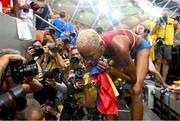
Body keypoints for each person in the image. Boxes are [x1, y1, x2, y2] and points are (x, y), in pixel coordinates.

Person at [76, 29, 150, 120]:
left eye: (90, 57)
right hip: (117, 54)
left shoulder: (119, 46)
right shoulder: (90, 50)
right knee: (106, 85)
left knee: (136, 89)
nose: (88, 61)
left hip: (139, 49)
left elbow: (132, 79)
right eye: (85, 58)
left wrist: (109, 69)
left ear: (102, 46)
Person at [136, 24, 168, 89]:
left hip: (147, 57)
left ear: (144, 29)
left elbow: (150, 45)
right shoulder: (135, 37)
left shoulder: (147, 37)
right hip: (137, 57)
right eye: (138, 28)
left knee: (153, 71)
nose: (140, 29)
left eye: (141, 28)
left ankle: (164, 84)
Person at [151, 8, 179, 82]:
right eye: (163, 11)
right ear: (161, 12)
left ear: (168, 13)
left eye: (166, 11)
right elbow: (152, 33)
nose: (165, 12)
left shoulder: (172, 21)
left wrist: (177, 26)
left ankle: (163, 80)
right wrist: (157, 24)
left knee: (166, 62)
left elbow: (177, 30)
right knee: (158, 62)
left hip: (169, 43)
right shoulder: (156, 20)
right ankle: (157, 79)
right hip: (158, 43)